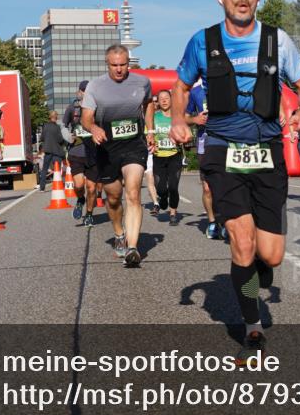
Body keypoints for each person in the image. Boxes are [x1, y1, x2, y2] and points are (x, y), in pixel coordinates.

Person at [170, 0, 300, 365]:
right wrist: (179, 119)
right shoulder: (202, 41)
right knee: (242, 242)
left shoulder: (277, 40)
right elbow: (180, 86)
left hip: (267, 148)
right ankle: (253, 326)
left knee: (272, 255)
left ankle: (257, 270)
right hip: (222, 148)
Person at [80, 45, 153, 267]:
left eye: (123, 64)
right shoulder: (95, 86)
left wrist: (150, 130)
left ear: (129, 63)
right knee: (113, 197)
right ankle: (119, 233)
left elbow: (148, 103)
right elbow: (86, 118)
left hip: (134, 144)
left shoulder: (142, 82)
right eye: (114, 65)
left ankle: (133, 248)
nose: (119, 69)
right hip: (106, 146)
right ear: (107, 64)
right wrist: (94, 128)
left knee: (133, 193)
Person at [186, 82, 225, 239]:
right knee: (207, 188)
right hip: (205, 143)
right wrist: (195, 119)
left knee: (226, 185)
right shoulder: (195, 92)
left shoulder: (227, 86)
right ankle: (212, 221)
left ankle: (226, 220)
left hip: (226, 141)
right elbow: (185, 117)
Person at [64, 80, 101, 226]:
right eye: (84, 90)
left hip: (94, 153)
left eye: (88, 90)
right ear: (79, 92)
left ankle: (89, 214)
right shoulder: (72, 108)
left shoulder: (98, 108)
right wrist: (68, 136)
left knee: (91, 188)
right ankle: (80, 199)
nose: (86, 93)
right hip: (76, 152)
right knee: (79, 185)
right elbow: (63, 125)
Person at [146, 90, 185, 226]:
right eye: (161, 98)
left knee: (173, 187)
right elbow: (147, 135)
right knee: (161, 189)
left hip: (174, 156)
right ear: (158, 101)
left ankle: (173, 214)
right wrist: (151, 143)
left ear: (171, 100)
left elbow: (186, 135)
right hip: (159, 157)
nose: (163, 101)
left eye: (166, 98)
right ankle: (162, 197)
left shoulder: (178, 117)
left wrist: (181, 139)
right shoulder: (153, 118)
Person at [38, 111, 66, 192]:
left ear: (49, 117)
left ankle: (42, 188)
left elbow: (42, 138)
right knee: (57, 169)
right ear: (56, 117)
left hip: (47, 150)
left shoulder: (45, 126)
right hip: (56, 151)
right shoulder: (57, 127)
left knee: (44, 169)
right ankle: (58, 185)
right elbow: (60, 140)